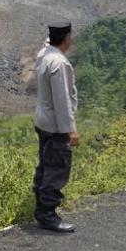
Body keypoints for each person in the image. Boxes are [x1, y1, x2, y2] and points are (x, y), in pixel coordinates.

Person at [32, 21, 79, 232]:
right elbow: (63, 101)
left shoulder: (44, 55)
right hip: (55, 126)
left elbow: (46, 43)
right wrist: (71, 130)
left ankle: (41, 208)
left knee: (45, 165)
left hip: (42, 121)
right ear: (67, 39)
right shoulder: (59, 64)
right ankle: (47, 215)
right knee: (57, 168)